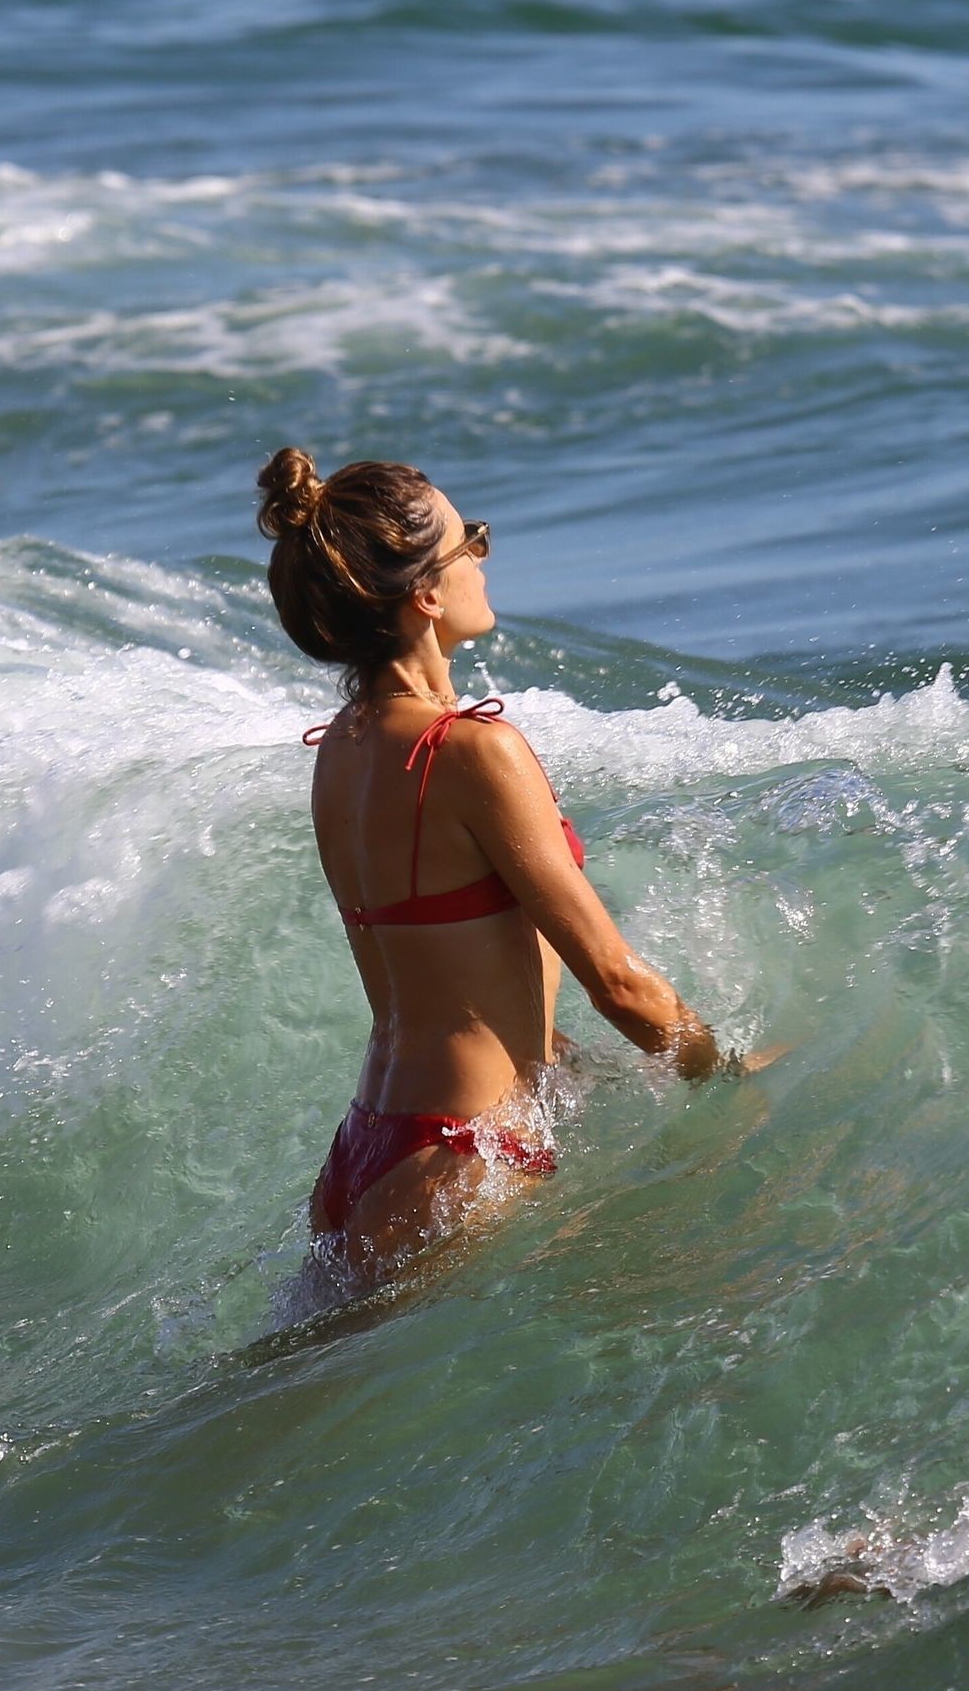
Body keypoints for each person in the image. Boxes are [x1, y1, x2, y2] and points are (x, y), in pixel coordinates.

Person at [257, 446, 731, 1291]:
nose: (483, 555)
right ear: (427, 595)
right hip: (463, 1155)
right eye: (468, 540)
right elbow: (618, 983)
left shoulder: (342, 750)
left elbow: (445, 975)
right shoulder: (471, 750)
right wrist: (721, 1075)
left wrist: (575, 1071)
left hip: (368, 1146)